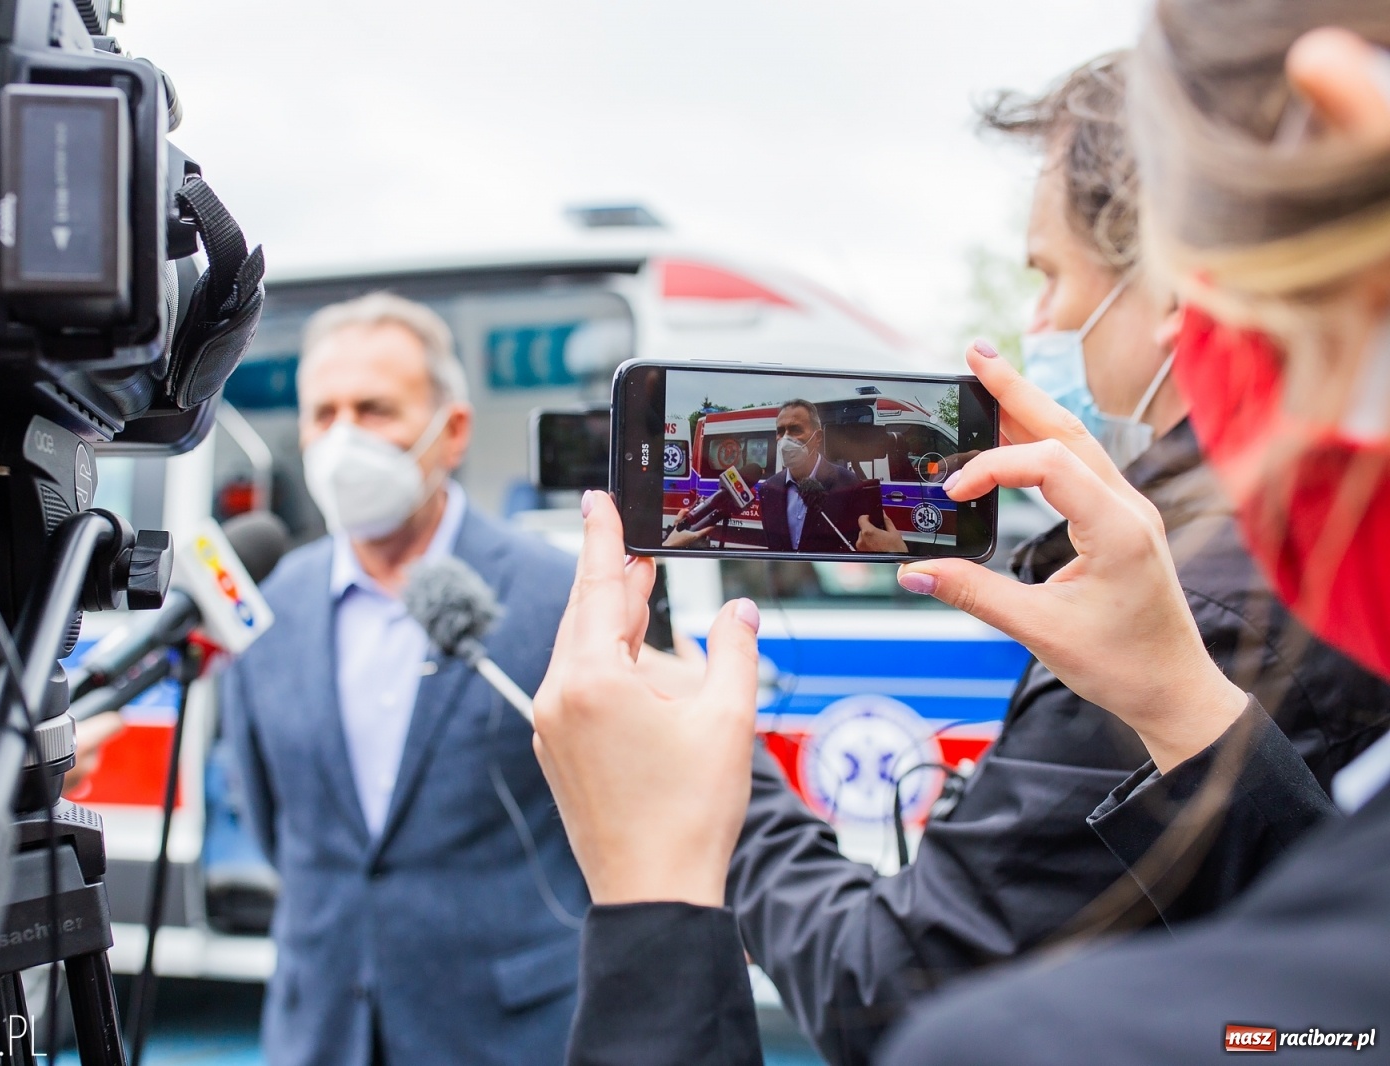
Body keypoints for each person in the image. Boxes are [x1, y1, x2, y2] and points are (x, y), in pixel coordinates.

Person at [531, 6, 1390, 1064]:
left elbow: (890, 991)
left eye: (1046, 276)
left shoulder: (1216, 587)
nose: (1033, 326)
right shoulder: (1176, 616)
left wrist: (669, 857)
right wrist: (1185, 709)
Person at [221, 293, 587, 1066]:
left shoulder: (560, 594)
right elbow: (271, 816)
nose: (343, 439)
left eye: (375, 409)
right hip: (318, 1026)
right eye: (323, 414)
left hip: (508, 1032)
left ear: (451, 432)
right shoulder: (271, 601)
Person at [754, 400, 877, 552]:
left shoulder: (848, 484)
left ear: (817, 437)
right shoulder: (768, 489)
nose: (785, 439)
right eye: (780, 431)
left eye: (795, 429)